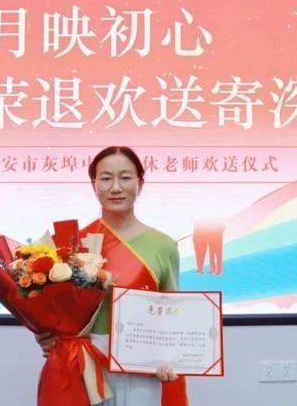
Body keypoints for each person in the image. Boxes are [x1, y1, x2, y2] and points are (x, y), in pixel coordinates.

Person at [34, 146, 186, 405]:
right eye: (106, 178)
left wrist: (170, 355)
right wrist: (45, 334)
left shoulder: (164, 245)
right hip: (83, 364)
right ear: (94, 185)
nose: (116, 187)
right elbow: (53, 312)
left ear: (140, 183)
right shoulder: (72, 244)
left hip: (142, 367)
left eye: (125, 177)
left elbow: (173, 313)